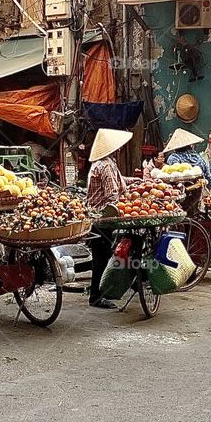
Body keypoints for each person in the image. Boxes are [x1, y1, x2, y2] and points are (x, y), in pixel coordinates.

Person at [84, 128, 133, 310]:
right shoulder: (105, 166)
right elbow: (112, 195)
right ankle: (96, 296)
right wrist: (129, 202)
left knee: (102, 254)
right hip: (102, 217)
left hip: (99, 216)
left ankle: (99, 290)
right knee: (101, 257)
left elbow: (119, 181)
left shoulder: (105, 163)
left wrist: (135, 181)